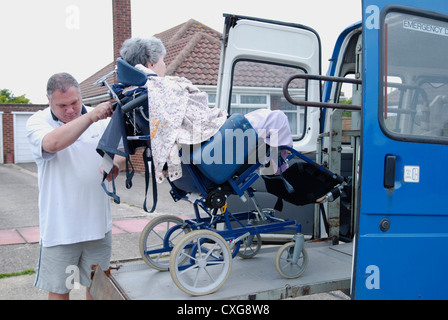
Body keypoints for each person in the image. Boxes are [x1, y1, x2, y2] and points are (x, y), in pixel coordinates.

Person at [119, 37, 293, 182]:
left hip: (201, 146)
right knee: (276, 117)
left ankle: (275, 167)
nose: (165, 65)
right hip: (212, 138)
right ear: (150, 64)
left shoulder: (137, 93)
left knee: (263, 120)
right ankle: (280, 171)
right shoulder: (160, 86)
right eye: (163, 60)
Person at [26, 73, 125, 300]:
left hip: (98, 227)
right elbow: (53, 143)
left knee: (98, 290)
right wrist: (90, 117)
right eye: (62, 106)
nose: (70, 110)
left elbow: (119, 154)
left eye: (74, 103)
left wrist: (114, 164)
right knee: (61, 291)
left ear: (81, 96)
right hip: (60, 230)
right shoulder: (38, 122)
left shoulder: (101, 119)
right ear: (49, 101)